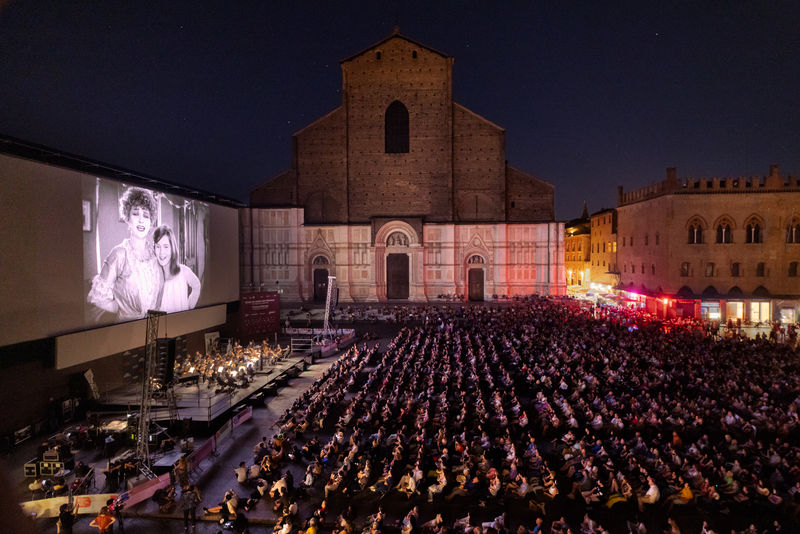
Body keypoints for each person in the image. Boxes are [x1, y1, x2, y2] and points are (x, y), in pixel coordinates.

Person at [87, 187, 163, 322]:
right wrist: (122, 308)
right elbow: (97, 298)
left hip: (154, 325)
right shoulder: (119, 254)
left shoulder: (156, 254)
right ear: (128, 218)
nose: (141, 220)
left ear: (151, 221)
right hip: (128, 328)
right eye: (136, 214)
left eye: (146, 215)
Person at [153, 225, 201, 313]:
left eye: (166, 246)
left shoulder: (184, 271)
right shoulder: (154, 277)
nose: (161, 252)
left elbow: (196, 285)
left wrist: (189, 306)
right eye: (158, 246)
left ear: (172, 248)